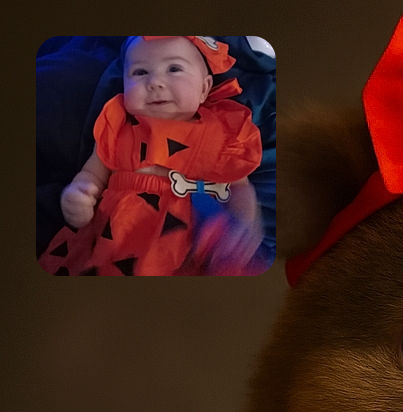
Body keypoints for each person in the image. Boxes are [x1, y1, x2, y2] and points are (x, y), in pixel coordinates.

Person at [38, 36, 264, 276]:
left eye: (174, 68)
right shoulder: (118, 125)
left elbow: (240, 188)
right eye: (140, 72)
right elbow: (92, 173)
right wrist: (78, 193)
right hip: (115, 238)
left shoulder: (222, 131)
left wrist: (245, 225)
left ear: (204, 88)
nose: (155, 82)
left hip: (193, 241)